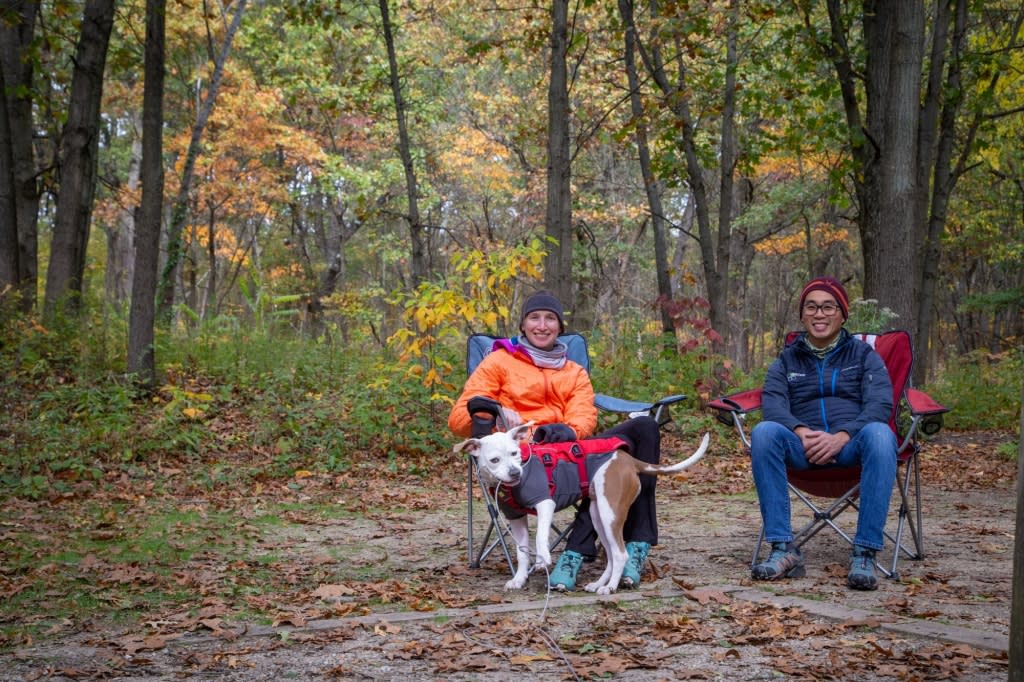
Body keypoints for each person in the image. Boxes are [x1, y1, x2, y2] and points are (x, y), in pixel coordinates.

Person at [448, 290, 664, 591]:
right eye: (534, 317)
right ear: (523, 325)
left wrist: (570, 430)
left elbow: (585, 417)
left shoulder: (573, 371)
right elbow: (458, 419)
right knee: (597, 471)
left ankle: (631, 544)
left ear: (560, 327)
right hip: (524, 457)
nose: (542, 325)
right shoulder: (498, 362)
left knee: (644, 428)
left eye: (550, 318)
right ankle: (577, 551)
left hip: (568, 451)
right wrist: (491, 412)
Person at [750, 276, 897, 590]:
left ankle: (865, 552)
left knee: (882, 435)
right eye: (812, 307)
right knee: (764, 432)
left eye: (828, 307)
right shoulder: (786, 360)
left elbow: (880, 403)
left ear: (842, 315)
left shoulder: (863, 356)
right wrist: (801, 431)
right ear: (802, 316)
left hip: (851, 446)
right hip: (802, 449)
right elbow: (773, 405)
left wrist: (842, 436)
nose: (819, 314)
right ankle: (782, 549)